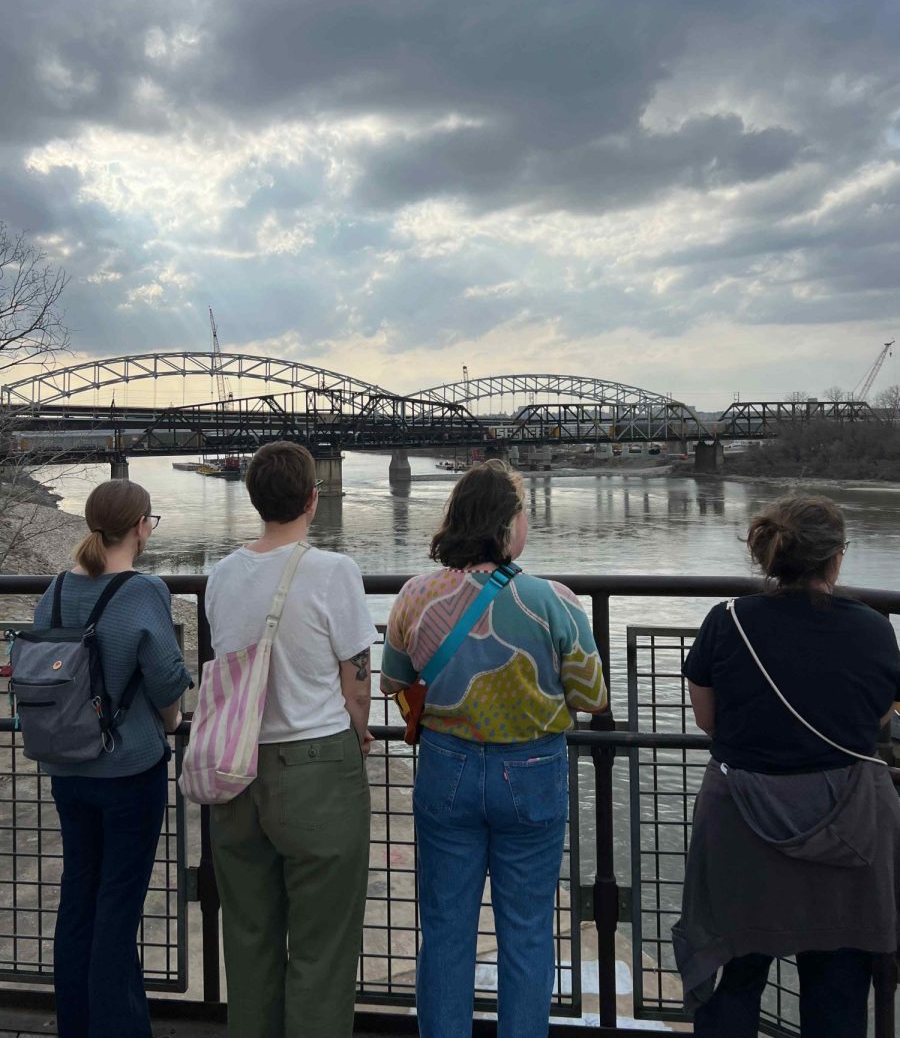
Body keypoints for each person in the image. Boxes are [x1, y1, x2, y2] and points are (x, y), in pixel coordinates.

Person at [380, 459, 608, 1038]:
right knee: (528, 930)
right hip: (532, 772)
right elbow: (594, 696)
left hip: (445, 769)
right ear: (507, 525)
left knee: (446, 928)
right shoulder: (553, 599)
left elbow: (392, 682)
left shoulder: (415, 596)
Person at [674, 495, 900, 1038]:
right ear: (835, 559)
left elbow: (708, 720)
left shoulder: (727, 621)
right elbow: (879, 717)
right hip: (847, 831)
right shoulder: (873, 629)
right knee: (838, 989)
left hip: (741, 829)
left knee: (735, 980)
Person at [206, 441, 376, 1038]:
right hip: (317, 768)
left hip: (236, 768)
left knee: (248, 936)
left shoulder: (221, 575)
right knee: (322, 946)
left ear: (255, 500)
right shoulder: (334, 572)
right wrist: (362, 730)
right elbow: (357, 679)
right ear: (312, 498)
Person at [34, 479, 192, 1038]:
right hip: (128, 772)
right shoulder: (142, 589)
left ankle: (76, 1025)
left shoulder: (54, 589)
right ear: (142, 526)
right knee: (118, 907)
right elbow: (168, 677)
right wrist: (171, 722)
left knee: (78, 897)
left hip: (67, 766)